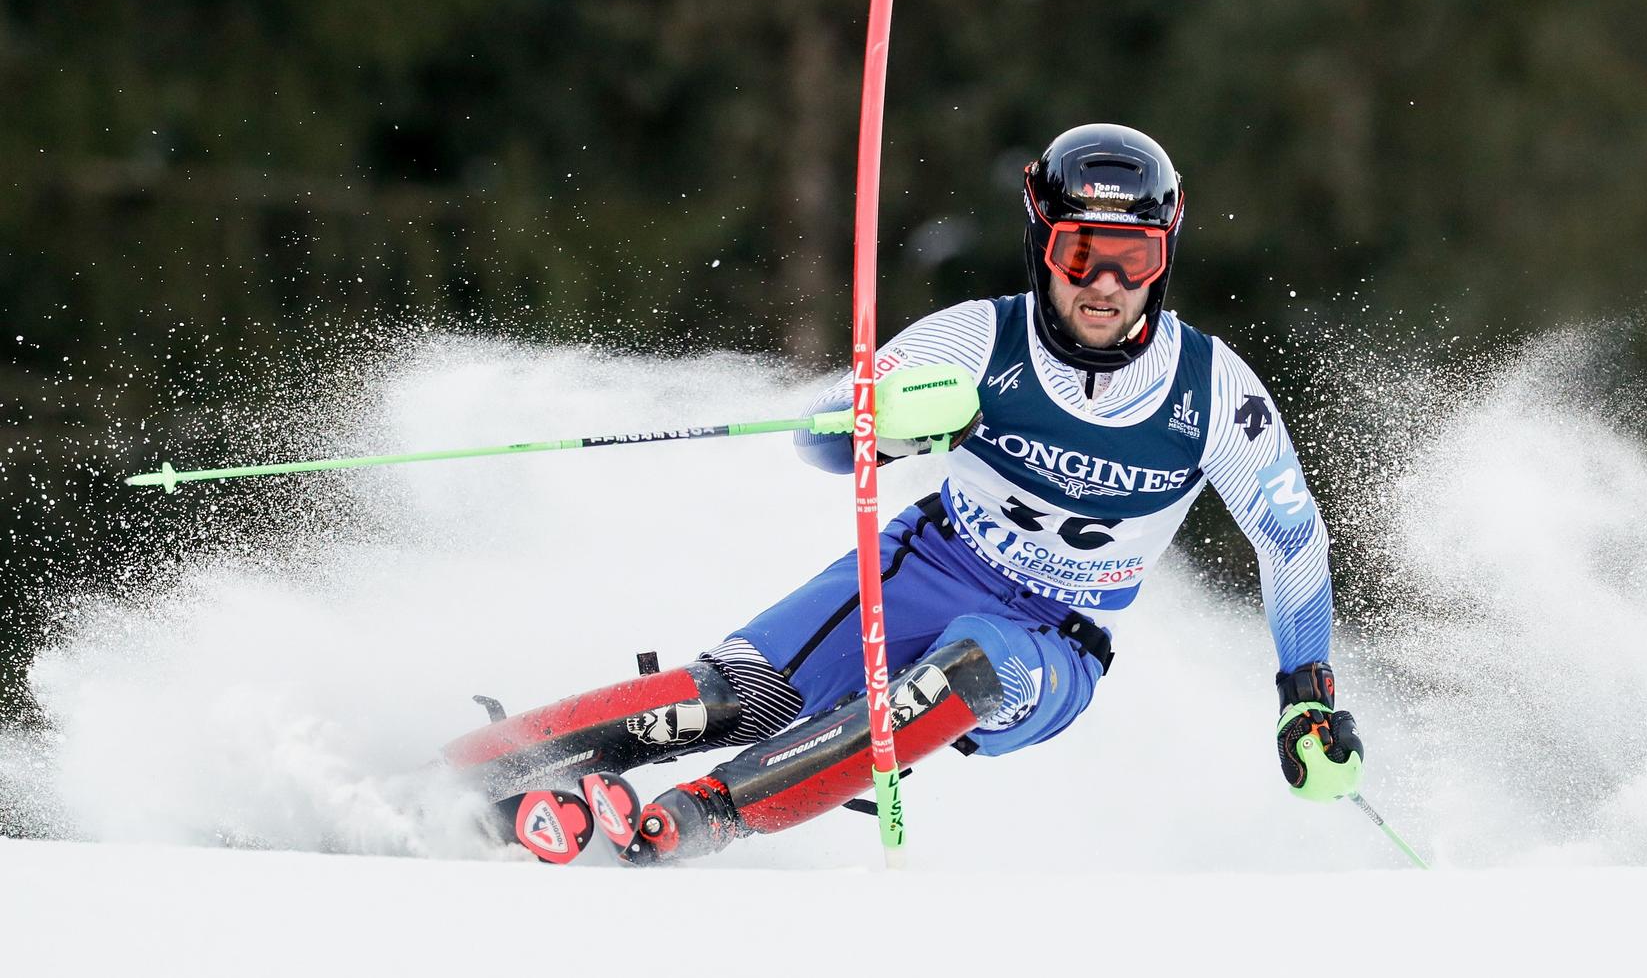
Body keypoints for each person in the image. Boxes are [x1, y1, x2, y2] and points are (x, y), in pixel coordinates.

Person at [443, 123, 1364, 865]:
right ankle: (463, 776)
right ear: (1044, 246)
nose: (1108, 286)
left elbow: (1289, 539)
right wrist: (882, 428)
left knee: (970, 668)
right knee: (727, 695)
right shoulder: (975, 342)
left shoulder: (1211, 390)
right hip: (924, 564)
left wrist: (1306, 693)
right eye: (1084, 252)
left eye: (1136, 257)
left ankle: (698, 815)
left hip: (1057, 639)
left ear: (1165, 258)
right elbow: (818, 438)